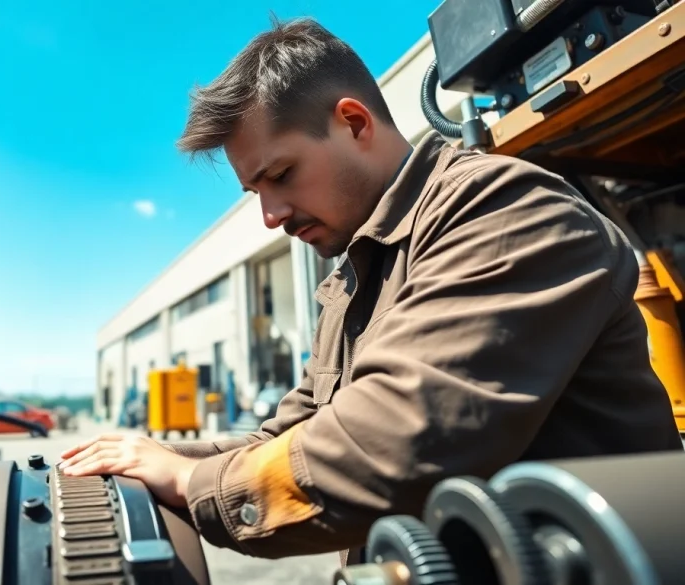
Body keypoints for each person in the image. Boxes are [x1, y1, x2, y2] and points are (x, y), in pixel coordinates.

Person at [59, 17, 682, 563]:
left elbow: (402, 440)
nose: (271, 216)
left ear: (354, 121)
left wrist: (190, 482)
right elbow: (294, 431)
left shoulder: (502, 211)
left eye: (281, 175)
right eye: (256, 194)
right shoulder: (358, 273)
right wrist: (147, 456)